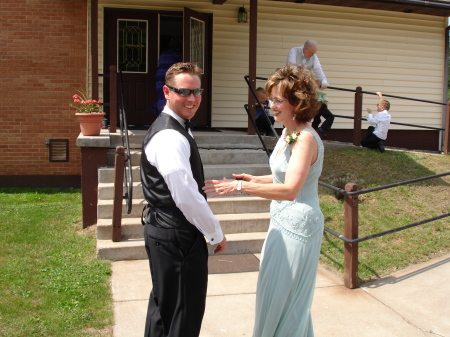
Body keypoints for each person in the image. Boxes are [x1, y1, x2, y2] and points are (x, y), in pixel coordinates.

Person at [204, 65, 324, 337]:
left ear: (297, 103)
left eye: (277, 100)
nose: (270, 105)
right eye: (270, 99)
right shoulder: (289, 132)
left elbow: (292, 189)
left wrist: (240, 187)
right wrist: (256, 179)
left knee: (287, 298)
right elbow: (285, 175)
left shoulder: (304, 138)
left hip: (299, 226)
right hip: (281, 222)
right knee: (274, 292)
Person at [140, 62, 227, 337]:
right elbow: (186, 196)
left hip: (167, 232)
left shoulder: (177, 126)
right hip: (176, 236)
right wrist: (214, 232)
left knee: (164, 310)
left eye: (197, 92)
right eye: (184, 92)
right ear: (167, 91)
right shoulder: (168, 136)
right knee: (183, 315)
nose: (192, 99)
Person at [151, 36, 182, 116]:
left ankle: (160, 115)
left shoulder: (164, 53)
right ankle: (166, 117)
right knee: (169, 98)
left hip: (159, 78)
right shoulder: (177, 54)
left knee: (162, 97)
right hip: (170, 78)